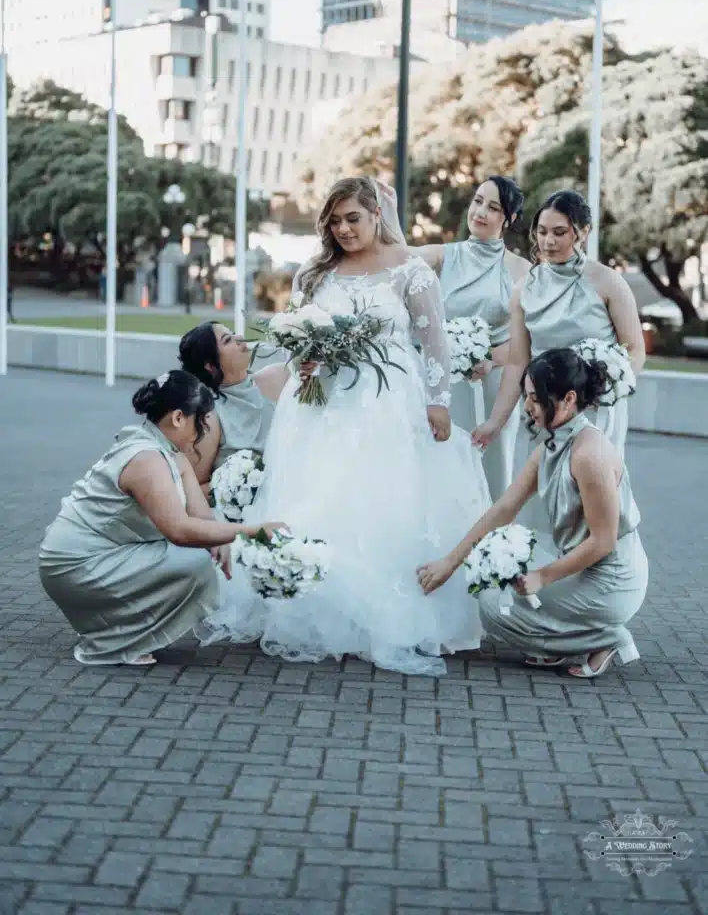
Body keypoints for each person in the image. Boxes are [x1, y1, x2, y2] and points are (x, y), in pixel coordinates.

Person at [197, 176, 491, 676]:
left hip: (388, 406)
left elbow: (434, 341)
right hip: (319, 406)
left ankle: (381, 614)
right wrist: (304, 362)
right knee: (321, 494)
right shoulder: (314, 273)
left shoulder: (410, 270)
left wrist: (439, 403)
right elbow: (296, 337)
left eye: (353, 218)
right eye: (334, 221)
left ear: (377, 214)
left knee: (379, 501)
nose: (344, 229)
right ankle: (313, 604)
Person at [418, 348, 648, 678]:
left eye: (535, 399)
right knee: (489, 577)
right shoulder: (551, 447)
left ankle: (608, 637)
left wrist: (543, 577)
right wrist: (449, 562)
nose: (527, 407)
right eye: (527, 397)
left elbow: (603, 542)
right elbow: (504, 509)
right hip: (580, 566)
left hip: (611, 580)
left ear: (568, 399)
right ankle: (565, 643)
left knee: (493, 606)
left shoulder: (589, 455)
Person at [39, 371, 283, 667]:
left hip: (101, 555)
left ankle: (120, 631)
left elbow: (202, 515)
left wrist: (223, 540)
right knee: (194, 561)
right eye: (203, 420)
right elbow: (179, 530)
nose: (206, 429)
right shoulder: (146, 458)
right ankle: (115, 643)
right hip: (75, 564)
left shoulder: (170, 451)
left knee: (206, 553)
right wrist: (254, 531)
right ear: (180, 418)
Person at [472, 190, 645, 459]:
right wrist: (495, 423)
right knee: (544, 490)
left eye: (559, 232)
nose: (548, 241)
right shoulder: (523, 289)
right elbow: (518, 362)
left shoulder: (609, 282)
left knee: (591, 491)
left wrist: (603, 386)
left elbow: (635, 350)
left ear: (583, 232)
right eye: (542, 232)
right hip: (545, 408)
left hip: (594, 412)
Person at [415, 176, 529, 500]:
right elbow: (393, 258)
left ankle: (490, 544)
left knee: (491, 470)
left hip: (494, 385)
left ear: (509, 219)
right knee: (438, 470)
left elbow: (528, 341)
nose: (480, 211)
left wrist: (491, 359)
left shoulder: (522, 271)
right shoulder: (441, 256)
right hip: (442, 383)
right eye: (478, 201)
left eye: (493, 207)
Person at [178, 322, 289, 493]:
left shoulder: (276, 376)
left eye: (234, 334)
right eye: (227, 340)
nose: (239, 338)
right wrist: (236, 489)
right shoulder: (209, 416)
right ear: (211, 366)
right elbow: (195, 490)